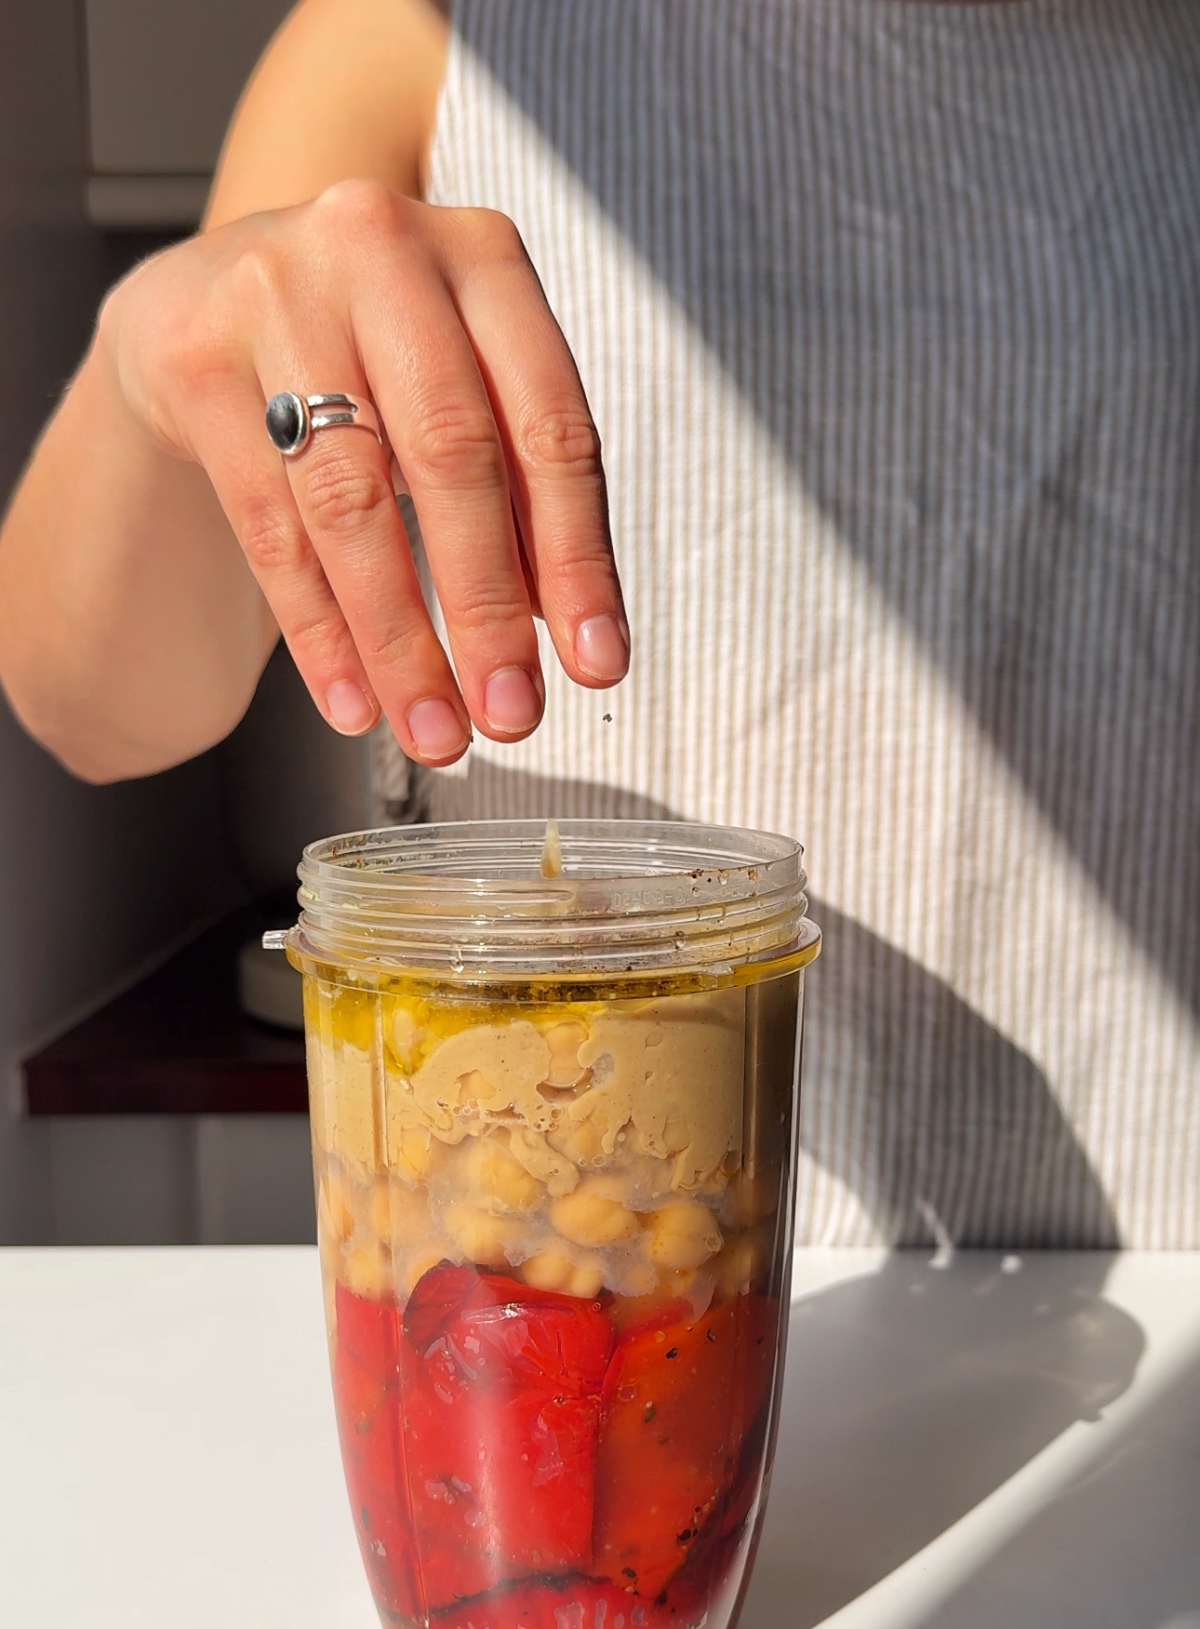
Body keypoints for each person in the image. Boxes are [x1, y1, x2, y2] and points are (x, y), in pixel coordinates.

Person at [1, 0, 1197, 1249]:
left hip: (1170, 1242)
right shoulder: (415, 35)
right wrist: (154, 362)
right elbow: (92, 709)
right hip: (547, 1258)